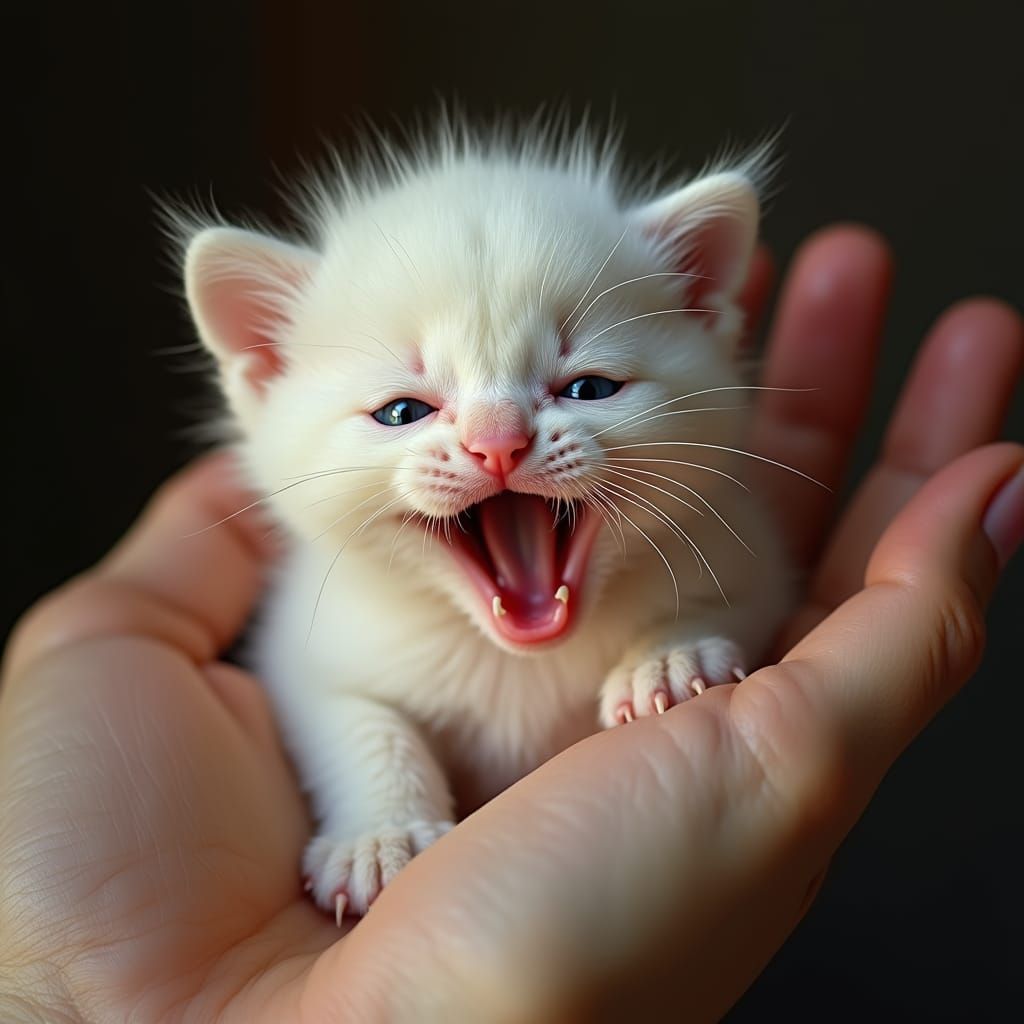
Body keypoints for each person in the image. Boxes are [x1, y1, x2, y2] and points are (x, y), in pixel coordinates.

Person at [1, 225, 1021, 1023]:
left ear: (708, 324)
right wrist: (381, 803)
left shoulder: (712, 548)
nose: (498, 441)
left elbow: (746, 593)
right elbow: (324, 681)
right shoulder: (342, 612)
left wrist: (669, 644)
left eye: (586, 385)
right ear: (263, 372)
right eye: (405, 409)